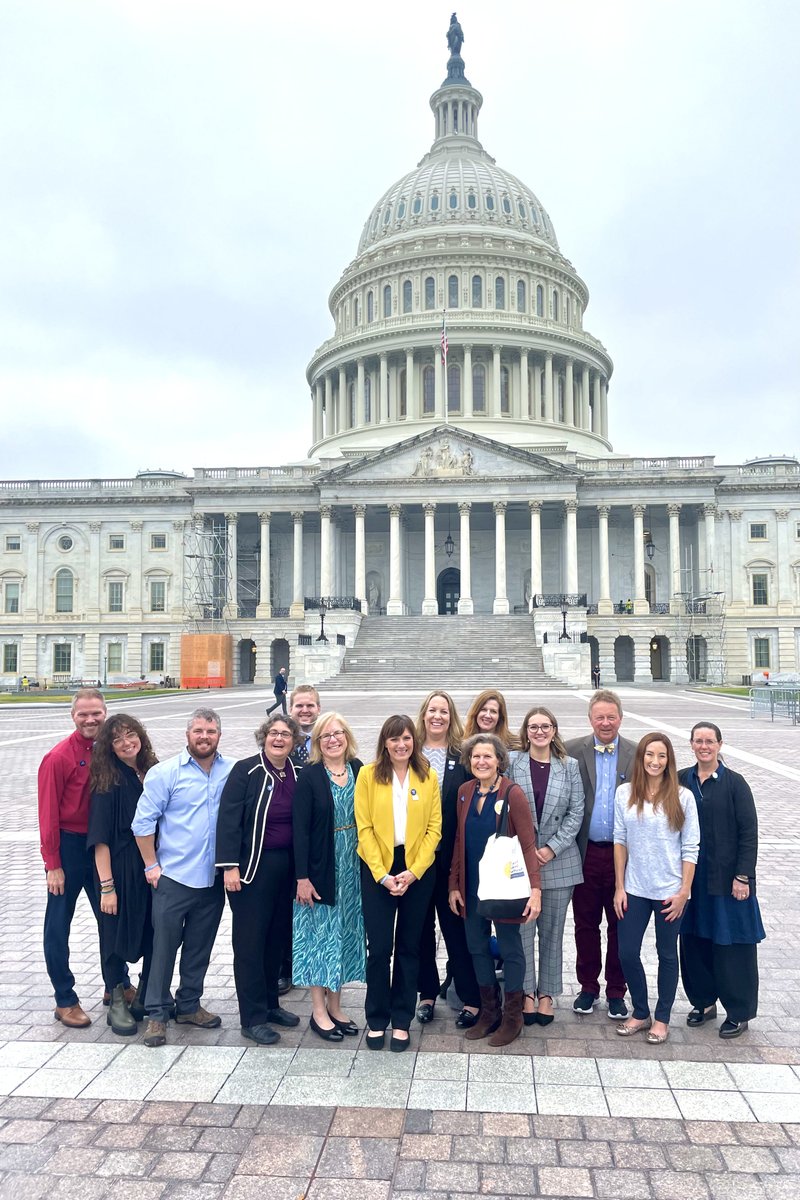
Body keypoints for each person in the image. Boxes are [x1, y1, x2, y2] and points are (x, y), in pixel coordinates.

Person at [132, 708, 235, 1048]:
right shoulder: (165, 774)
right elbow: (143, 824)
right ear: (188, 734)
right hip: (173, 878)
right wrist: (151, 866)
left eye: (211, 731)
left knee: (199, 948)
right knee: (163, 949)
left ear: (219, 735)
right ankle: (157, 1015)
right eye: (198, 731)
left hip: (211, 881)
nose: (204, 737)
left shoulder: (231, 771)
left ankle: (189, 1005)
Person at [39, 687, 125, 1027]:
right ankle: (65, 998)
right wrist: (53, 865)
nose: (90, 720)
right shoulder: (58, 757)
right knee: (58, 925)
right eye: (83, 714)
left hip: (102, 846)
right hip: (70, 847)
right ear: (73, 717)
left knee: (111, 917)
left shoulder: (112, 751)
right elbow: (47, 815)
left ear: (106, 713)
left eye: (96, 713)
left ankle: (115, 984)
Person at [355, 715, 441, 1051]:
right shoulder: (368, 775)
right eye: (394, 739)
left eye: (406, 738)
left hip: (417, 869)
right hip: (378, 868)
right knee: (378, 949)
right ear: (385, 743)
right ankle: (377, 1018)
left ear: (413, 741)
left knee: (409, 947)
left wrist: (414, 871)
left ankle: (402, 1019)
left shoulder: (427, 776)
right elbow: (363, 829)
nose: (401, 745)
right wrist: (383, 874)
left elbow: (435, 829)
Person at [216, 714, 303, 1045]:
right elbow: (228, 819)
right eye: (273, 733)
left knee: (276, 940)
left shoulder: (298, 773)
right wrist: (229, 866)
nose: (278, 738)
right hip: (251, 869)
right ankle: (251, 1017)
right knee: (251, 944)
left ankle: (270, 1005)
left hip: (287, 869)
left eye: (285, 734)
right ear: (264, 737)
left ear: (294, 742)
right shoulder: (246, 770)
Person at [449, 734, 541, 1046]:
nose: (481, 762)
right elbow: (459, 842)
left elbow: (528, 845)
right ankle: (489, 1012)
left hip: (503, 887)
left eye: (487, 756)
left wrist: (536, 890)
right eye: (476, 757)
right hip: (472, 887)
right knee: (476, 946)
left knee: (511, 947)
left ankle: (513, 1016)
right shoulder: (464, 792)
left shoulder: (512, 793)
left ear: (499, 760)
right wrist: (454, 885)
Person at [679, 722, 765, 1039]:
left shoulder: (735, 784)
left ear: (720, 744)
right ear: (691, 744)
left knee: (733, 946)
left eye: (709, 741)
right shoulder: (681, 780)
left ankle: (739, 1010)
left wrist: (743, 876)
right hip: (691, 880)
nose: (704, 746)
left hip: (728, 882)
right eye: (698, 741)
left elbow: (749, 833)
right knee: (694, 942)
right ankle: (703, 1002)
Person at [614, 732, 700, 1044]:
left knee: (666, 954)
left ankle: (662, 1017)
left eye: (661, 756)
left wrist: (683, 892)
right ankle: (640, 1010)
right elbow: (619, 840)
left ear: (669, 760)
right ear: (641, 758)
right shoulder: (625, 794)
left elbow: (691, 848)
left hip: (670, 892)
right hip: (635, 888)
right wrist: (619, 886)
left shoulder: (682, 797)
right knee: (626, 951)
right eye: (649, 754)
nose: (654, 761)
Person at [508, 706, 584, 1025]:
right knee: (523, 930)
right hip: (521, 861)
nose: (540, 732)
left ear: (554, 730)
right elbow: (505, 806)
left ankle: (547, 994)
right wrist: (527, 850)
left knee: (552, 932)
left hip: (558, 861)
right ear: (526, 732)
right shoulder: (514, 763)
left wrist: (552, 848)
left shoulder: (569, 766)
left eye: (546, 726)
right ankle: (526, 992)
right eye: (534, 727)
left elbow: (576, 811)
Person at [292, 712, 366, 1041]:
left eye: (338, 733)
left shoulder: (358, 769)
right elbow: (300, 830)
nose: (333, 740)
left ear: (347, 737)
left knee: (346, 935)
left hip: (353, 864)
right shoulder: (309, 776)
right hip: (322, 866)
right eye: (325, 736)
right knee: (319, 939)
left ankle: (336, 1006)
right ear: (317, 743)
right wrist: (302, 877)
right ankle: (318, 1010)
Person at [566, 689, 636, 1020]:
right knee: (586, 924)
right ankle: (588, 987)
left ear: (620, 718)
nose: (605, 723)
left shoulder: (636, 755)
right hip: (586, 852)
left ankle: (616, 991)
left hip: (623, 857)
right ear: (590, 719)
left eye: (611, 717)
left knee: (620, 925)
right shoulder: (571, 751)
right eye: (599, 717)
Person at [88, 714, 158, 1036]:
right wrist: (106, 887)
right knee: (114, 933)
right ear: (109, 748)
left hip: (151, 866)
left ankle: (144, 993)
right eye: (117, 740)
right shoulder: (107, 781)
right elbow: (100, 839)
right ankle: (117, 996)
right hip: (119, 868)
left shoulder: (152, 772)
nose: (126, 743)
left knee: (153, 929)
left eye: (130, 735)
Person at [414, 691, 480, 1030]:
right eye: (432, 710)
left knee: (456, 929)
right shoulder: (408, 751)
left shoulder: (462, 754)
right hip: (415, 861)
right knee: (421, 929)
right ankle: (426, 994)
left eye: (444, 711)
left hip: (451, 858)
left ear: (450, 716)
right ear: (423, 714)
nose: (437, 716)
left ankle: (470, 997)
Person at [289, 684, 322, 769]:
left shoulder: (328, 738)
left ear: (318, 709)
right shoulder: (281, 739)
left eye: (310, 705)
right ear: (290, 709)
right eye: (299, 706)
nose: (304, 710)